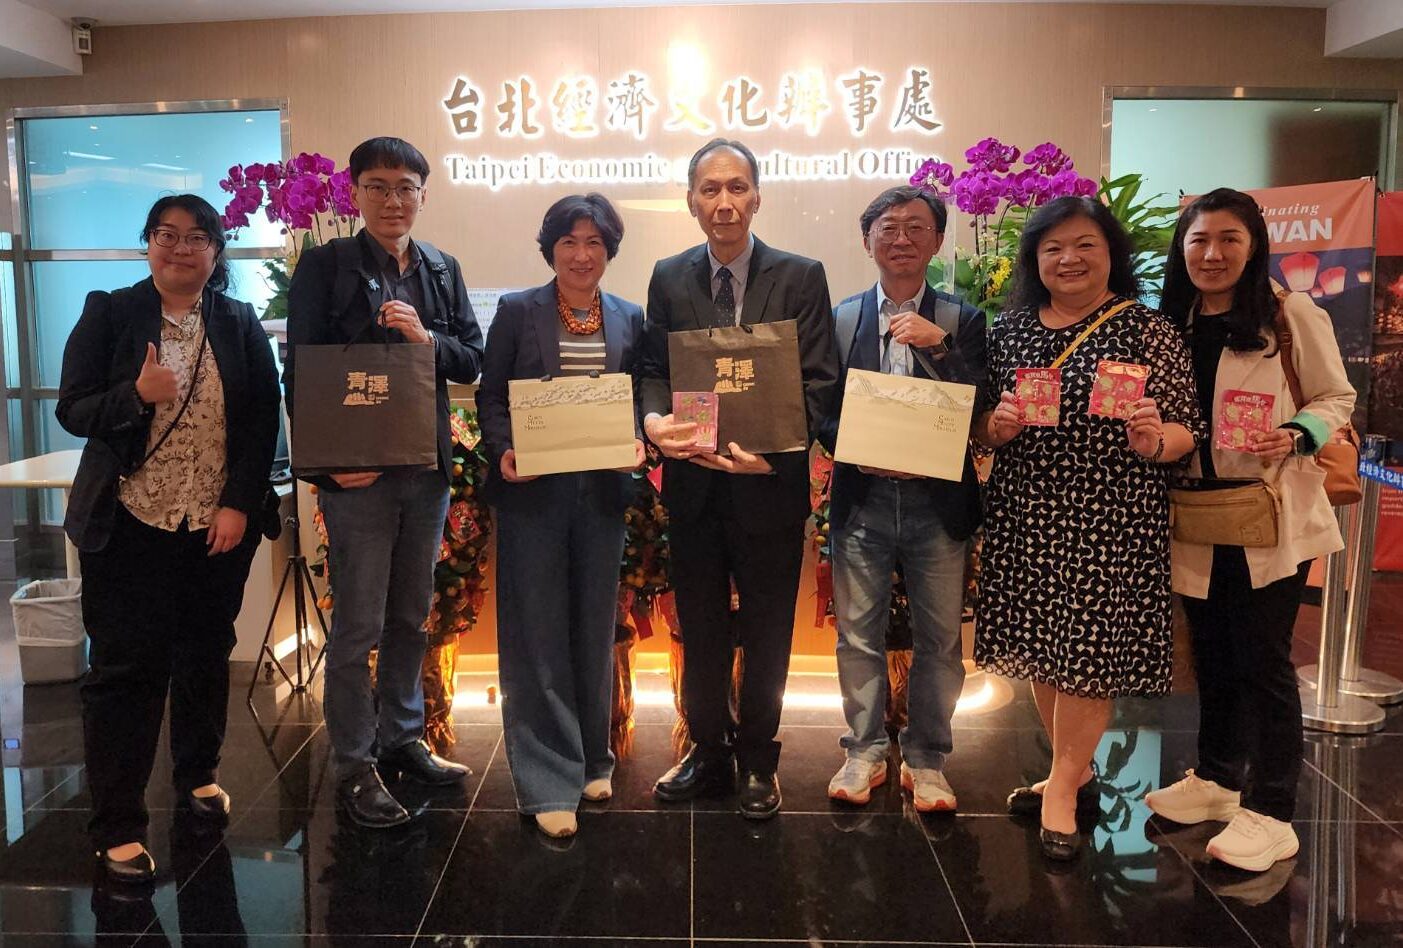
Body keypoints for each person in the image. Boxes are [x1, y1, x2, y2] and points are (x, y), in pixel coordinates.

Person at [57, 194, 281, 882]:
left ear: (216, 251)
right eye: (167, 234)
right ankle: (118, 823)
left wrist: (238, 504)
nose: (181, 248)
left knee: (205, 653)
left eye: (196, 237)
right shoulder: (111, 312)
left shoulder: (238, 321)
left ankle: (198, 774)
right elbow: (73, 408)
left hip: (214, 527)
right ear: (148, 242)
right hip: (130, 522)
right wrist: (137, 394)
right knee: (125, 672)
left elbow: (261, 418)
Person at [973, 195, 1204, 860]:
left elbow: (1188, 427)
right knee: (1044, 650)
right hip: (1027, 513)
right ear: (1034, 259)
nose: (1068, 259)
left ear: (1111, 254)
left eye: (1085, 246)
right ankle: (1071, 772)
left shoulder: (1146, 329)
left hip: (1111, 518)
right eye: (1053, 248)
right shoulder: (1011, 329)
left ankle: (1058, 794)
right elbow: (982, 422)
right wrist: (996, 427)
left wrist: (1155, 440)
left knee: (1086, 660)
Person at [1147, 187, 1355, 872]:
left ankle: (1272, 809)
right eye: (1199, 240)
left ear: (1253, 245)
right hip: (1195, 511)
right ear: (1181, 249)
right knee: (1211, 651)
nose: (1212, 254)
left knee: (1262, 657)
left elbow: (1336, 395)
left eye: (1228, 239)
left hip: (1269, 509)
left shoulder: (1288, 313)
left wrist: (1297, 432)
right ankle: (1216, 776)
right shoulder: (1171, 322)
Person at [285, 137, 484, 828]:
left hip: (424, 468)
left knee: (409, 615)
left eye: (405, 187)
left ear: (423, 194)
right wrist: (322, 467)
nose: (392, 200)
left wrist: (426, 338)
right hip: (358, 476)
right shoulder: (326, 266)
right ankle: (354, 761)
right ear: (355, 193)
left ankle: (403, 737)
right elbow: (300, 370)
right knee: (359, 624)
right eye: (377, 186)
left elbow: (472, 359)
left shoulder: (441, 269)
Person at [641, 138, 840, 819]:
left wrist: (776, 453)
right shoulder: (669, 276)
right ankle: (706, 750)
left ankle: (758, 757)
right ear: (690, 200)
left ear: (756, 197)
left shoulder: (801, 276)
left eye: (735, 188)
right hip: (694, 483)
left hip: (767, 485)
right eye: (709, 189)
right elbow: (654, 370)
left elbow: (819, 380)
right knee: (699, 627)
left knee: (766, 628)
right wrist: (653, 420)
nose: (722, 202)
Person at [475, 193, 646, 839]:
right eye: (569, 242)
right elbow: (493, 395)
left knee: (594, 629)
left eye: (594, 242)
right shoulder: (518, 311)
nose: (581, 254)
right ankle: (548, 779)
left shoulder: (629, 316)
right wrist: (504, 450)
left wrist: (640, 436)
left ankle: (593, 757)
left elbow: (639, 396)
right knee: (537, 635)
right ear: (550, 249)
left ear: (609, 250)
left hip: (600, 495)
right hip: (534, 496)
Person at [819, 185, 986, 812]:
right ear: (867, 241)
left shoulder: (962, 320)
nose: (902, 239)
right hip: (863, 497)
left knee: (939, 638)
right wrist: (852, 445)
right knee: (857, 635)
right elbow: (820, 407)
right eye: (888, 228)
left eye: (916, 227)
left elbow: (980, 403)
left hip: (935, 504)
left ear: (937, 241)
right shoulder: (842, 319)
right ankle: (862, 751)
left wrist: (938, 346)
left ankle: (927, 757)